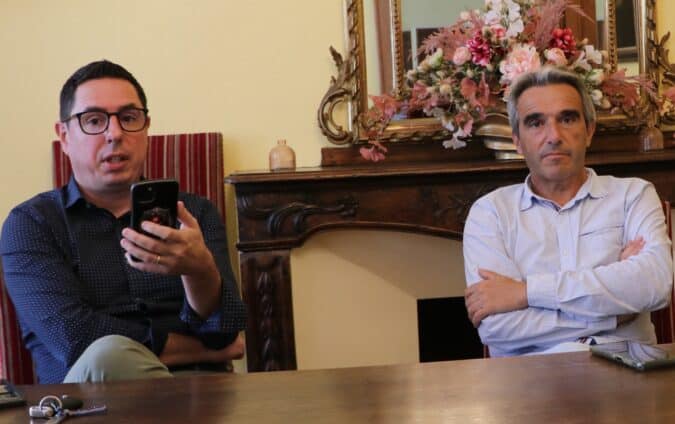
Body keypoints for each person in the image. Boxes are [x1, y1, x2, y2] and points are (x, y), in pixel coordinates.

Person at [0, 60, 247, 383]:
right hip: (90, 401)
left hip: (198, 397)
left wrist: (200, 271)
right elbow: (77, 338)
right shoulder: (32, 224)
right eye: (94, 120)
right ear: (65, 136)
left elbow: (225, 333)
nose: (115, 134)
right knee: (107, 354)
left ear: (146, 129)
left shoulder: (193, 215)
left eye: (129, 118)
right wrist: (204, 352)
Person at [463, 66, 673, 357]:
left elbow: (655, 285)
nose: (554, 136)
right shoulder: (490, 213)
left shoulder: (633, 195)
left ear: (589, 131)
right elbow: (498, 327)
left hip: (627, 370)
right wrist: (614, 313)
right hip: (529, 376)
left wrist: (525, 292)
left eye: (567, 118)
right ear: (517, 141)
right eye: (536, 123)